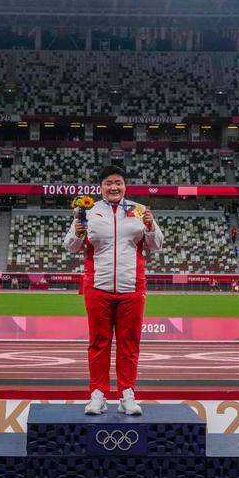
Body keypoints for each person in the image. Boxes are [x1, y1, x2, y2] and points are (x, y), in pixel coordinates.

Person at [64, 165, 164, 416]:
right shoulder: (88, 212)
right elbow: (71, 247)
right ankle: (97, 394)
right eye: (108, 183)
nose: (113, 187)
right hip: (98, 286)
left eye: (118, 182)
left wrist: (150, 227)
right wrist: (77, 234)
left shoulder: (139, 210)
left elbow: (156, 245)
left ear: (125, 186)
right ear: (101, 187)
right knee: (98, 343)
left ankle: (126, 393)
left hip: (132, 286)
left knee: (129, 344)